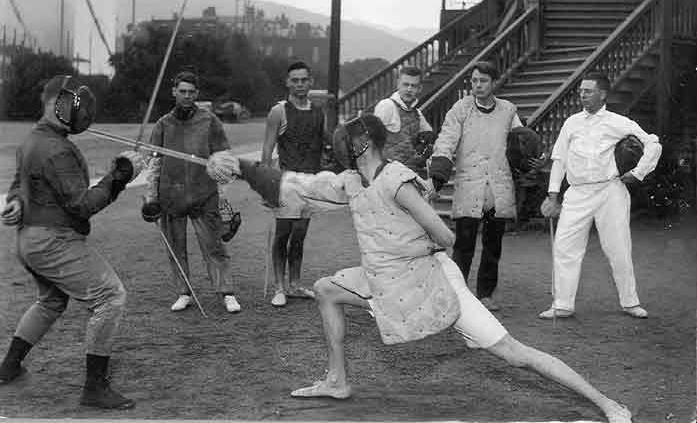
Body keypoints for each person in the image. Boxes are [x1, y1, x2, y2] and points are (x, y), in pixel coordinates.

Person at [206, 114, 632, 423]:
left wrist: (409, 250)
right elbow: (297, 185)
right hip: (384, 282)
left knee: (514, 355)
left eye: (342, 141)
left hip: (430, 282)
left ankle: (608, 404)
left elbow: (445, 238)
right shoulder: (352, 183)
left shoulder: (397, 180)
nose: (335, 146)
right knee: (325, 289)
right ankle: (338, 380)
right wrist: (241, 168)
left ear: (358, 146)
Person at [0, 75, 144, 409]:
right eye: (72, 102)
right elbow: (82, 205)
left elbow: (21, 182)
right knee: (111, 295)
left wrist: (16, 200)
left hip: (29, 241)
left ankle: (8, 367)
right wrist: (120, 176)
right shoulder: (57, 149)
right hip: (53, 241)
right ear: (55, 103)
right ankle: (94, 388)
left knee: (52, 301)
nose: (79, 110)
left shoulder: (34, 139)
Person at [538, 72, 661, 320]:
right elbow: (559, 158)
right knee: (564, 246)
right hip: (577, 193)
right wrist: (553, 195)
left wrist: (638, 173)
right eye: (581, 91)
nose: (582, 95)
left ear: (603, 94)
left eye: (588, 91)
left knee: (618, 247)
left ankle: (630, 302)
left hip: (610, 191)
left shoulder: (618, 121)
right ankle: (562, 304)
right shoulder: (571, 123)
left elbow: (652, 143)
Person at [430, 60, 542, 311]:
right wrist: (438, 174)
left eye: (482, 81)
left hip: (498, 186)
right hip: (470, 184)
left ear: (494, 83)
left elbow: (521, 141)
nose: (477, 86)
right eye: (474, 81)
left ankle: (486, 294)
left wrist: (533, 158)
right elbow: (446, 140)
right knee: (464, 246)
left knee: (494, 246)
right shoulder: (460, 110)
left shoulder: (508, 111)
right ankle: (457, 295)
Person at [141, 70, 240, 313]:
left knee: (213, 245)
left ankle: (226, 293)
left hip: (203, 195)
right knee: (175, 248)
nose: (186, 96)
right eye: (182, 91)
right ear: (174, 92)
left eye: (191, 92)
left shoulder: (210, 121)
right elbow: (153, 164)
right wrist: (151, 197)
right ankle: (183, 293)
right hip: (170, 196)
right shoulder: (163, 125)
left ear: (197, 93)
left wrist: (223, 195)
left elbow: (223, 160)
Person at [261, 61, 324, 307]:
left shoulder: (318, 112)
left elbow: (321, 147)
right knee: (283, 234)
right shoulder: (279, 111)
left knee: (300, 235)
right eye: (294, 80)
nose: (299, 84)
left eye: (303, 80)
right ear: (287, 82)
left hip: (310, 182)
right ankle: (279, 286)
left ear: (311, 82)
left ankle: (295, 284)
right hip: (286, 182)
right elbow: (267, 148)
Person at [373, 66, 434, 170]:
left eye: (413, 86)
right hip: (387, 173)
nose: (409, 89)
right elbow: (371, 141)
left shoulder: (417, 114)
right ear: (398, 84)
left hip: (409, 173)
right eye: (405, 84)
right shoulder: (386, 106)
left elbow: (430, 136)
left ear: (420, 88)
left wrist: (424, 149)